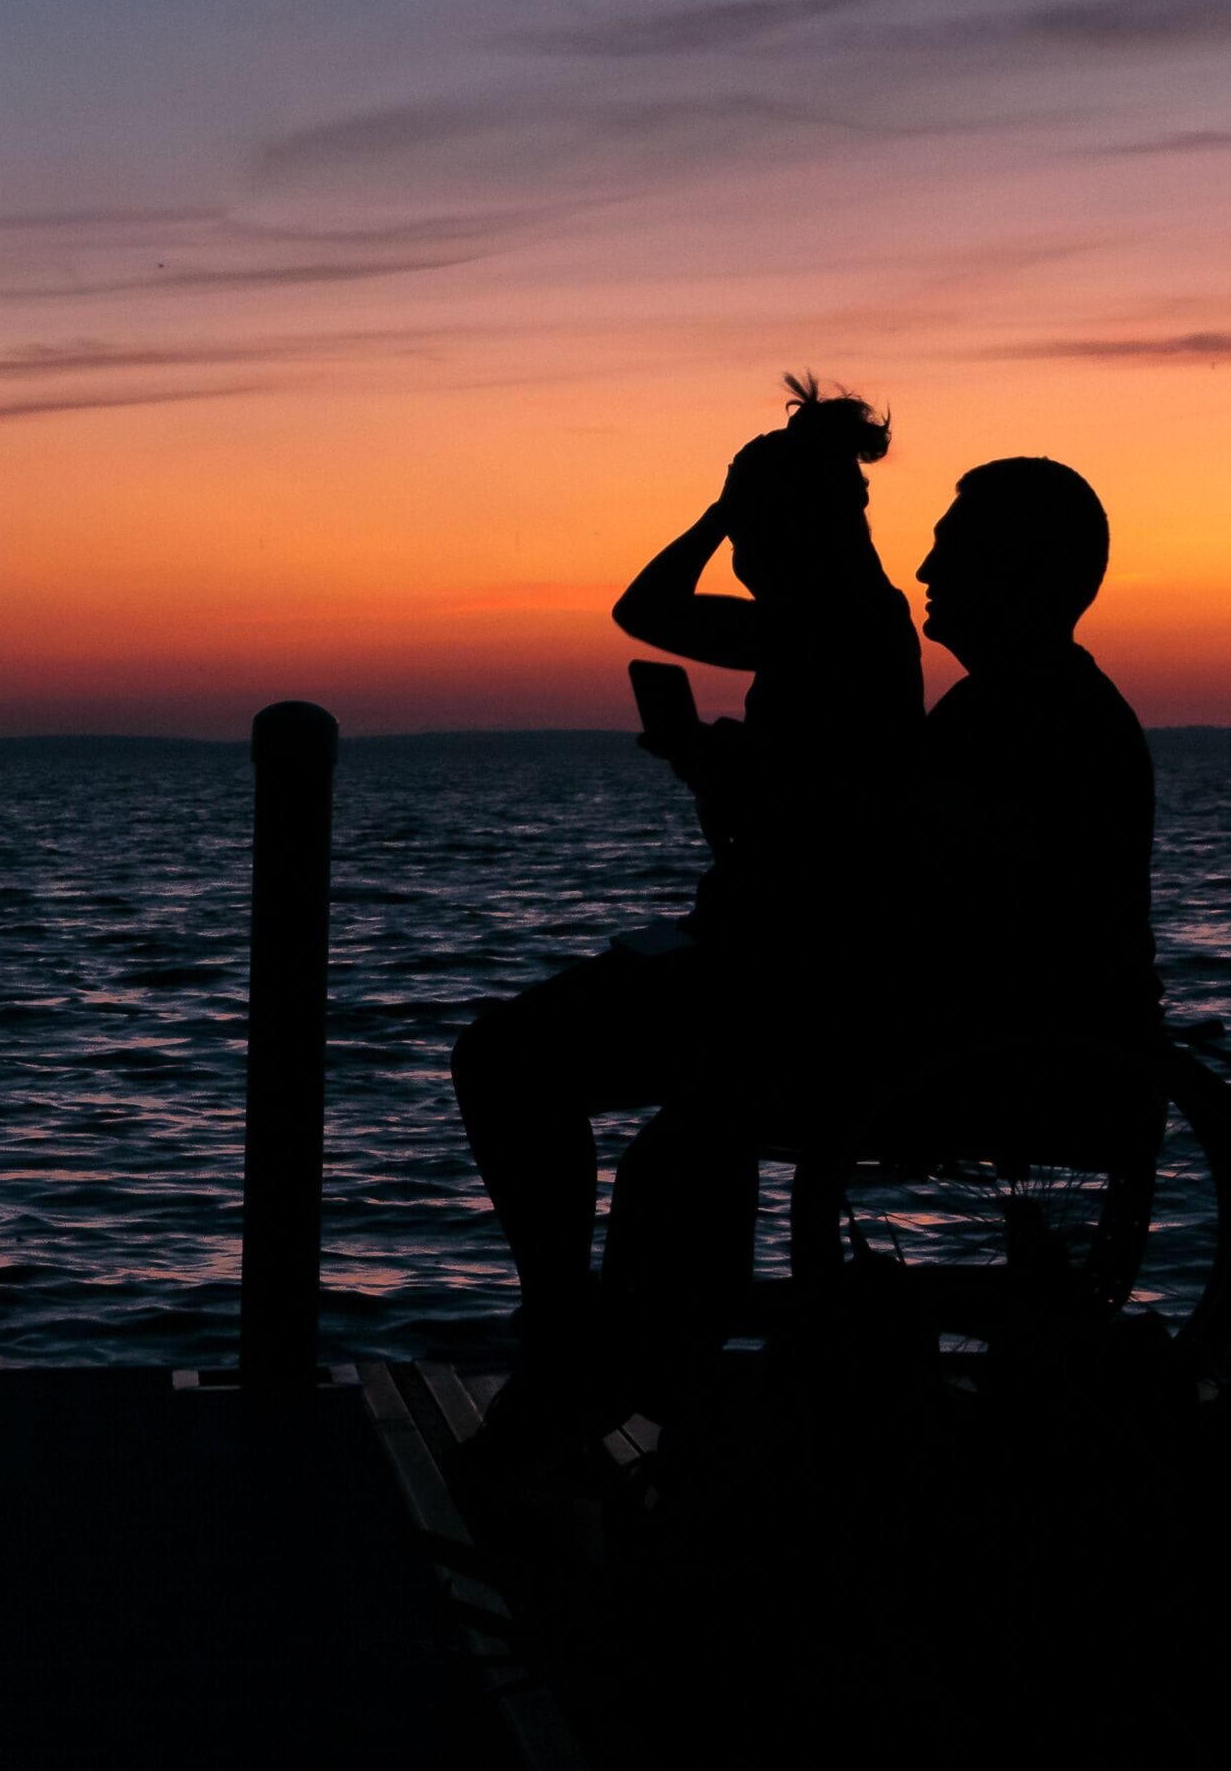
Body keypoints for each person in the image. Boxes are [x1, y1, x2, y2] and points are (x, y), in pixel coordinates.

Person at [450, 378, 924, 1442]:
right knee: (539, 1054)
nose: (744, 552)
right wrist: (721, 763)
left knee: (503, 1057)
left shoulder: (832, 629)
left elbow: (815, 807)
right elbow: (654, 618)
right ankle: (584, 1334)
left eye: (753, 528)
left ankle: (567, 1332)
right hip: (773, 945)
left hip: (785, 966)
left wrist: (717, 760)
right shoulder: (831, 622)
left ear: (788, 525)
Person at [908, 458, 1159, 1072]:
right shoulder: (1017, 696)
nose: (924, 570)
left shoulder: (1034, 710)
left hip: (1016, 1039)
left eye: (951, 548)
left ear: (1012, 569)